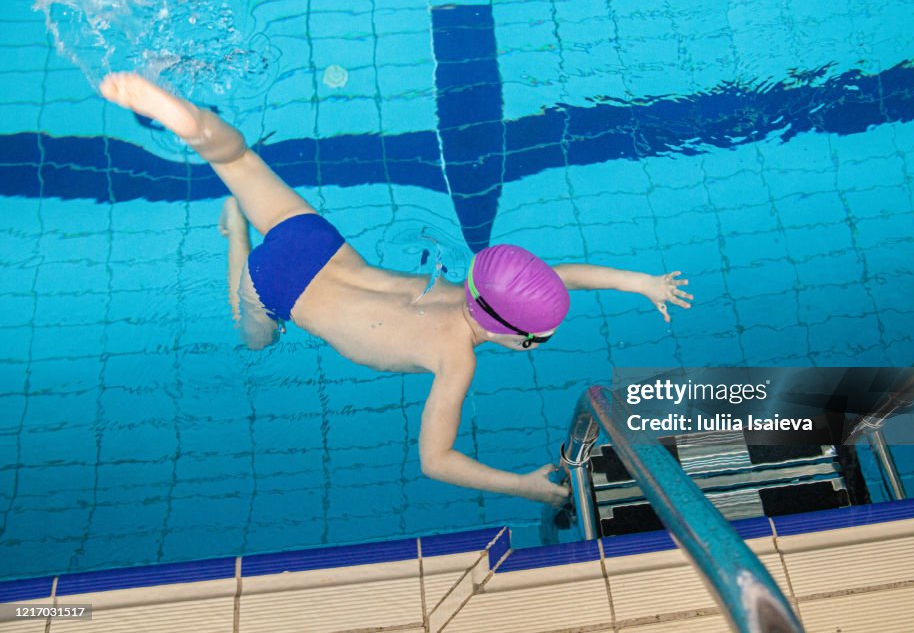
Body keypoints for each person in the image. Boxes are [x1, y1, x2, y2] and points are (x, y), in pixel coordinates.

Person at [98, 72, 694, 506]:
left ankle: (187, 122)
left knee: (238, 157)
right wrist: (524, 488)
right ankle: (234, 238)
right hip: (277, 284)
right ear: (502, 332)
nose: (541, 339)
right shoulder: (454, 358)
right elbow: (435, 462)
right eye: (537, 339)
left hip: (315, 243)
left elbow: (560, 275)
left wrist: (640, 282)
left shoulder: (471, 288)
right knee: (256, 338)